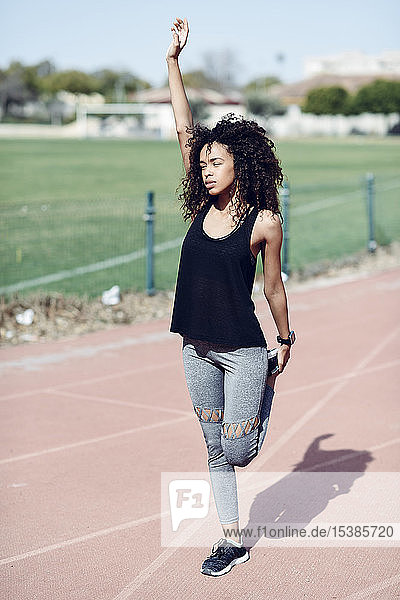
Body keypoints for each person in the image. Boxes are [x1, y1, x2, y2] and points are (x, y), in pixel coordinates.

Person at [166, 17, 296, 577]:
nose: (205, 168)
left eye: (216, 162)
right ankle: (231, 538)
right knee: (215, 450)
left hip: (243, 351)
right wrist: (172, 62)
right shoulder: (201, 206)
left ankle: (265, 382)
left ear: (241, 163)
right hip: (194, 346)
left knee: (240, 450)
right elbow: (182, 128)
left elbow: (273, 287)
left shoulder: (264, 221)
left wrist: (284, 340)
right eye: (202, 162)